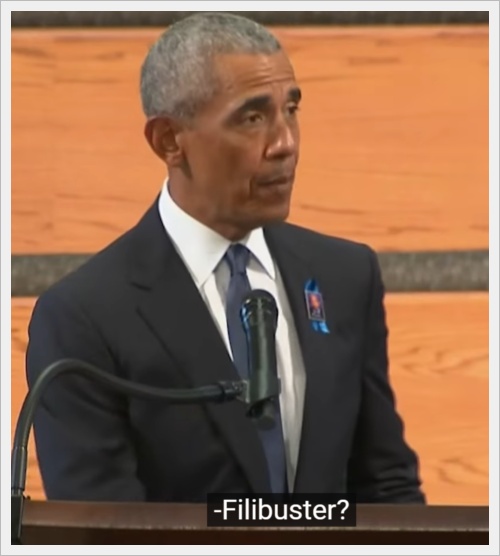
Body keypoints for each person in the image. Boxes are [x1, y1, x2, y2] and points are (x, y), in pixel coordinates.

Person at [26, 12, 426, 503]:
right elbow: (103, 526)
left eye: (291, 110)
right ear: (169, 141)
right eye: (252, 118)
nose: (285, 143)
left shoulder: (345, 276)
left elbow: (385, 487)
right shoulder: (83, 318)